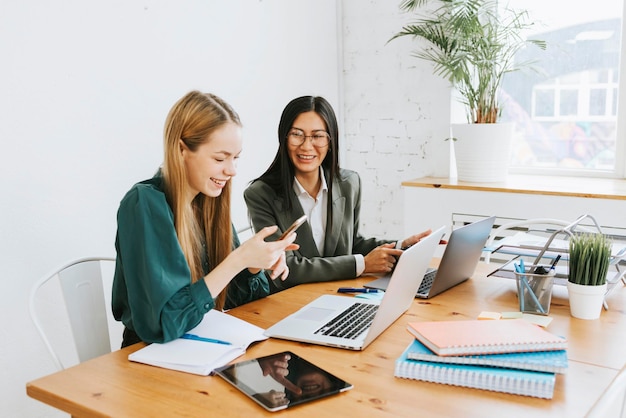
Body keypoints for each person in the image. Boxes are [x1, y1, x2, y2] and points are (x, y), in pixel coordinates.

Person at [112, 90, 298, 348]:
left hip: (200, 344)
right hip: (149, 353)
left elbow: (232, 301)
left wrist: (253, 265)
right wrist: (237, 260)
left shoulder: (208, 201)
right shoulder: (144, 204)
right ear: (181, 149)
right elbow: (164, 323)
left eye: (235, 158)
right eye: (220, 158)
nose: (231, 170)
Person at [244, 96, 434, 293]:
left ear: (330, 140)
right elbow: (284, 269)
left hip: (340, 294)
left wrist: (401, 246)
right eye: (297, 134)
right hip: (288, 301)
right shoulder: (260, 194)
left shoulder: (349, 183)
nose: (307, 146)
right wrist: (361, 265)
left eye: (317, 136)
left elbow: (353, 243)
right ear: (284, 138)